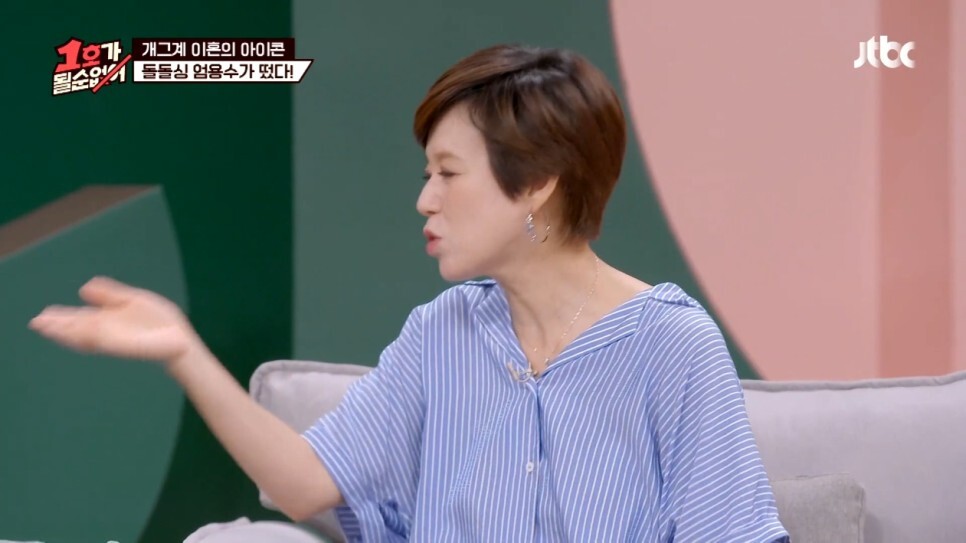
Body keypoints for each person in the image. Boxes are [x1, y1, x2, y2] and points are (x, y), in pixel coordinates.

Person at [29, 44, 789, 542]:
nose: (425, 200)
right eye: (428, 173)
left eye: (448, 173)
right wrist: (183, 352)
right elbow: (300, 485)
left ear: (537, 184)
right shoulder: (441, 331)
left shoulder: (671, 344)